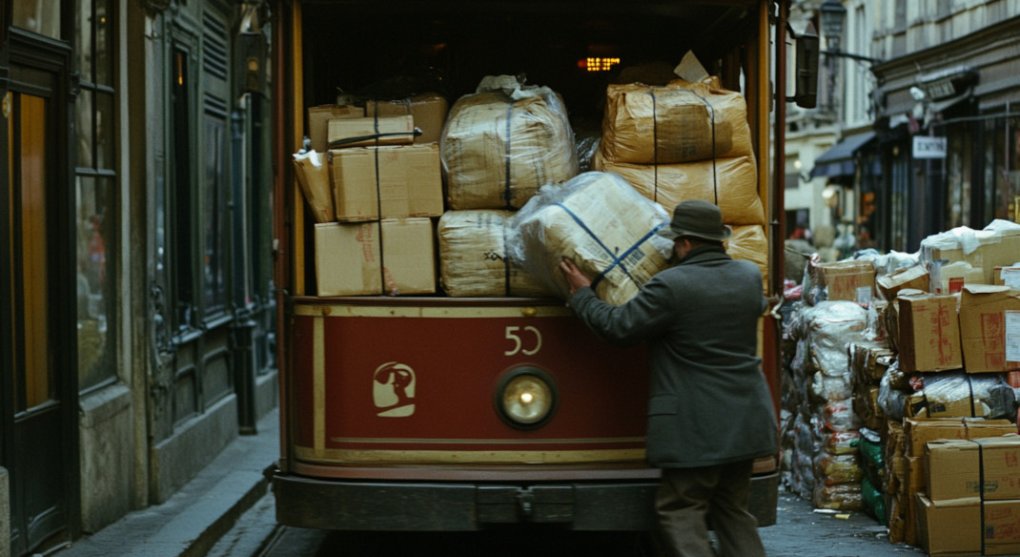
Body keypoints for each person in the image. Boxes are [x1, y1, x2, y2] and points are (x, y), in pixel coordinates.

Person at [558, 199, 777, 557]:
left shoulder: (671, 286)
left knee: (680, 507)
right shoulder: (749, 277)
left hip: (697, 426)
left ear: (685, 243)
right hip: (747, 419)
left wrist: (583, 295)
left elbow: (618, 327)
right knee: (733, 511)